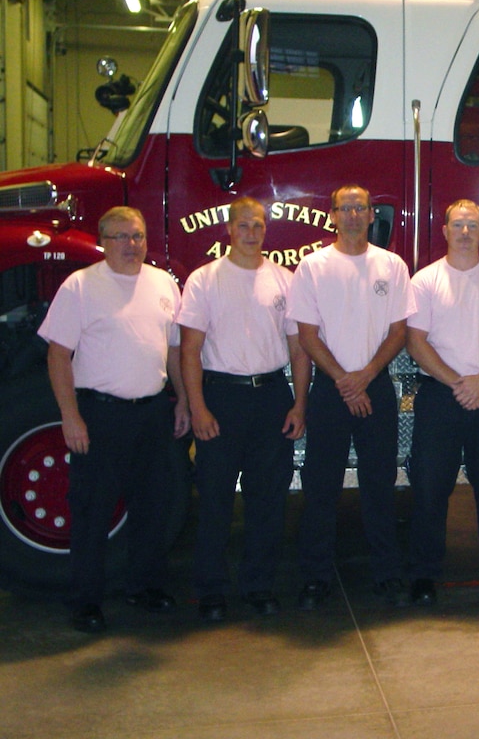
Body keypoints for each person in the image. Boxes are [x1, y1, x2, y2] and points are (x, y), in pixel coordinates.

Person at [39, 206, 191, 633]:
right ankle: (85, 600)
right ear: (103, 242)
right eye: (121, 237)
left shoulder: (163, 284)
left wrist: (180, 401)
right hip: (100, 415)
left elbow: (174, 350)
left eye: (138, 236)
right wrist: (70, 416)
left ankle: (144, 586)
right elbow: (57, 355)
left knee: (153, 507)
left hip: (153, 413)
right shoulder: (81, 286)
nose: (131, 245)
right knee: (92, 512)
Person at [179, 197, 311, 622]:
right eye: (243, 225)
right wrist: (198, 408)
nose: (251, 232)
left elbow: (299, 350)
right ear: (229, 230)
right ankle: (212, 591)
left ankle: (259, 586)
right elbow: (190, 351)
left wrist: (299, 404)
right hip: (220, 398)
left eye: (258, 225)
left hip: (271, 397)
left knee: (267, 501)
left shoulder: (285, 280)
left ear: (265, 231)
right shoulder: (204, 280)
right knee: (216, 500)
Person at [287, 185, 414, 608]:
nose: (354, 215)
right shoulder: (312, 267)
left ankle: (387, 573)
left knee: (380, 485)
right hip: (330, 388)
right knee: (320, 487)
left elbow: (399, 332)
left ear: (371, 213)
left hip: (375, 386)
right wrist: (345, 380)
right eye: (346, 208)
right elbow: (307, 334)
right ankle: (315, 577)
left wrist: (365, 377)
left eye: (361, 208)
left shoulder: (392, 265)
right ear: (333, 214)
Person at [405, 199, 479, 604]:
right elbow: (415, 342)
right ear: (444, 230)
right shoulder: (424, 281)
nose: (464, 232)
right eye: (457, 224)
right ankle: (424, 574)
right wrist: (459, 382)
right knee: (429, 488)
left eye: (471, 225)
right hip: (440, 395)